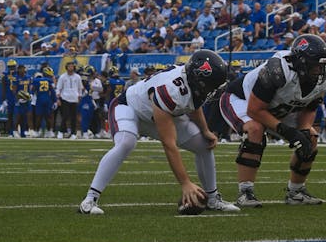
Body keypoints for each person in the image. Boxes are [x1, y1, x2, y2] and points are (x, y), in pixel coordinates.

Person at [78, 50, 238, 215]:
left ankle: (212, 199)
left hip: (157, 113)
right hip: (129, 108)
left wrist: (205, 131)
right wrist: (185, 183)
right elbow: (169, 145)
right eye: (211, 85)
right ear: (199, 79)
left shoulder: (193, 82)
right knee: (126, 142)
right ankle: (90, 200)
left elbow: (193, 105)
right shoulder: (171, 90)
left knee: (204, 145)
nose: (212, 90)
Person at [216, 34, 326, 208]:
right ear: (301, 61)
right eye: (315, 65)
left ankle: (296, 192)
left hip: (278, 107)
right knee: (255, 129)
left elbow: (310, 108)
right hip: (241, 99)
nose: (320, 70)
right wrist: (287, 131)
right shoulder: (278, 70)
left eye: (322, 65)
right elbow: (254, 110)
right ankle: (245, 192)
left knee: (310, 137)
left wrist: (303, 130)